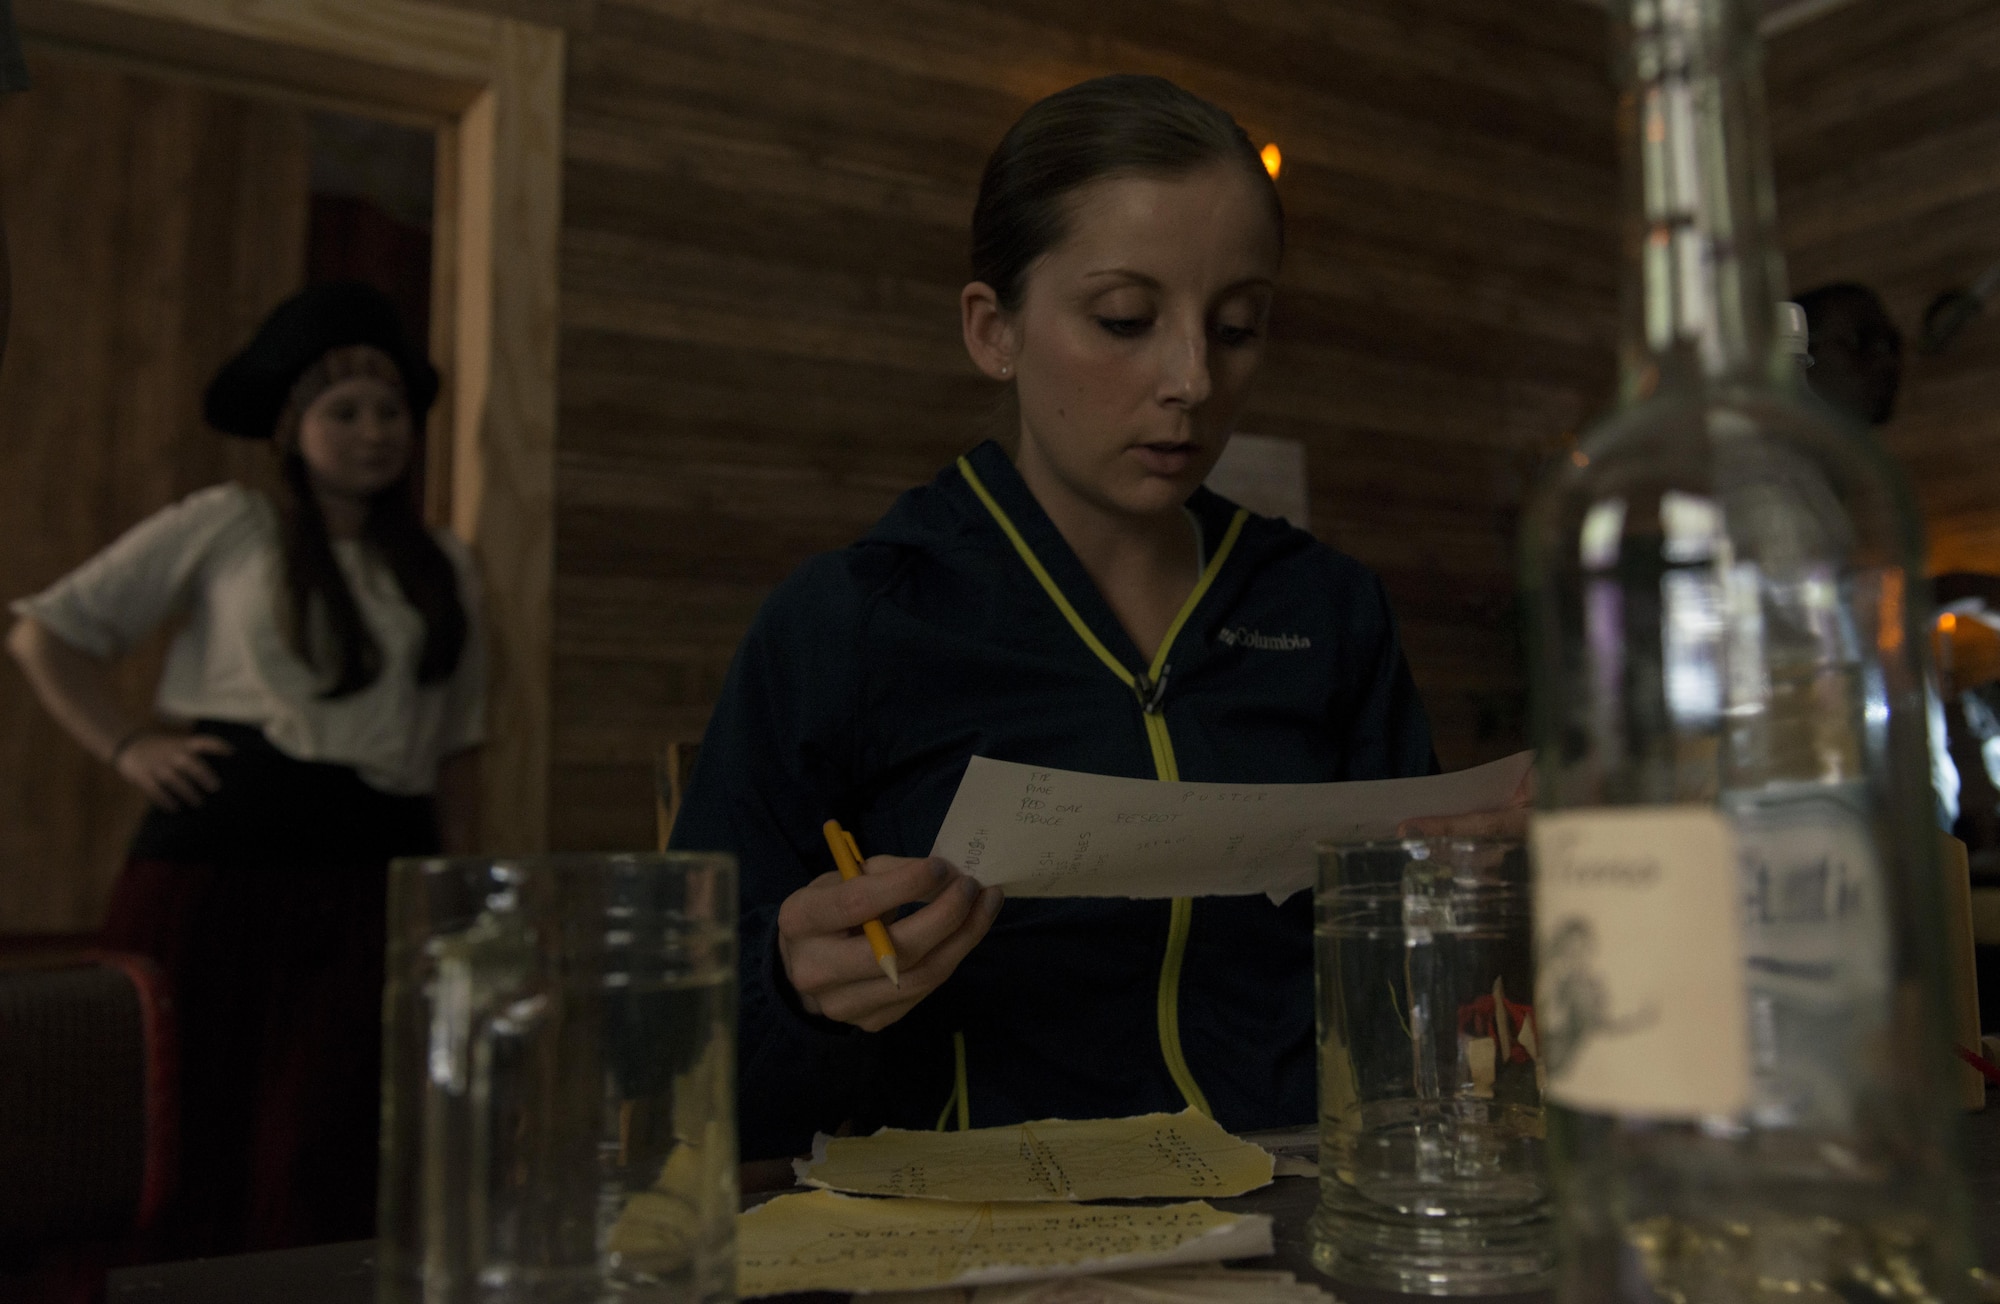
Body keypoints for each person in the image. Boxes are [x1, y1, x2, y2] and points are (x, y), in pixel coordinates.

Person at [671, 75, 1448, 1162]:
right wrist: (793, 991)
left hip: (1299, 1214)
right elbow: (677, 1067)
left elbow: (1411, 1010)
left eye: (1237, 327)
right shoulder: (854, 618)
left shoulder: (1324, 608)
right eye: (1123, 320)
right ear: (993, 329)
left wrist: (1474, 904)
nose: (1190, 378)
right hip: (986, 1241)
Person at [5, 281, 485, 1253]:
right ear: (291, 428)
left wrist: (460, 892)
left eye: (389, 410)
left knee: (331, 1127)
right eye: (342, 410)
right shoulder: (232, 525)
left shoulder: (444, 565)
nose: (373, 431)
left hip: (372, 874)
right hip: (221, 865)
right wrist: (129, 743)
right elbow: (43, 634)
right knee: (190, 1120)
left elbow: (456, 748)